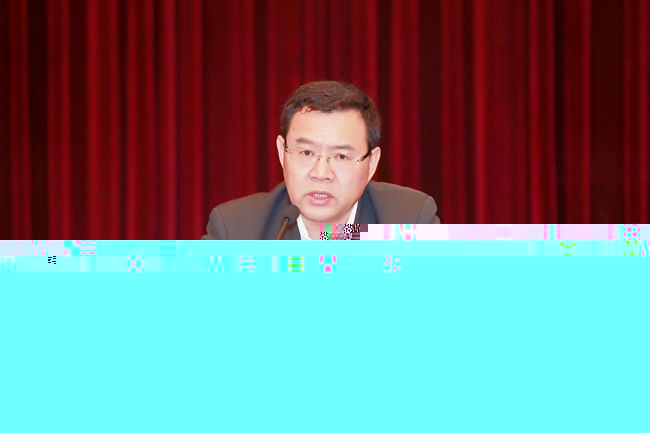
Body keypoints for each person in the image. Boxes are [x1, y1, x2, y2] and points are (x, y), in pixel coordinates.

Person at [202, 81, 440, 240]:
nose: (321, 173)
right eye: (307, 153)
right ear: (282, 152)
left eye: (341, 156)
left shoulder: (409, 221)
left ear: (371, 163)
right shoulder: (236, 230)